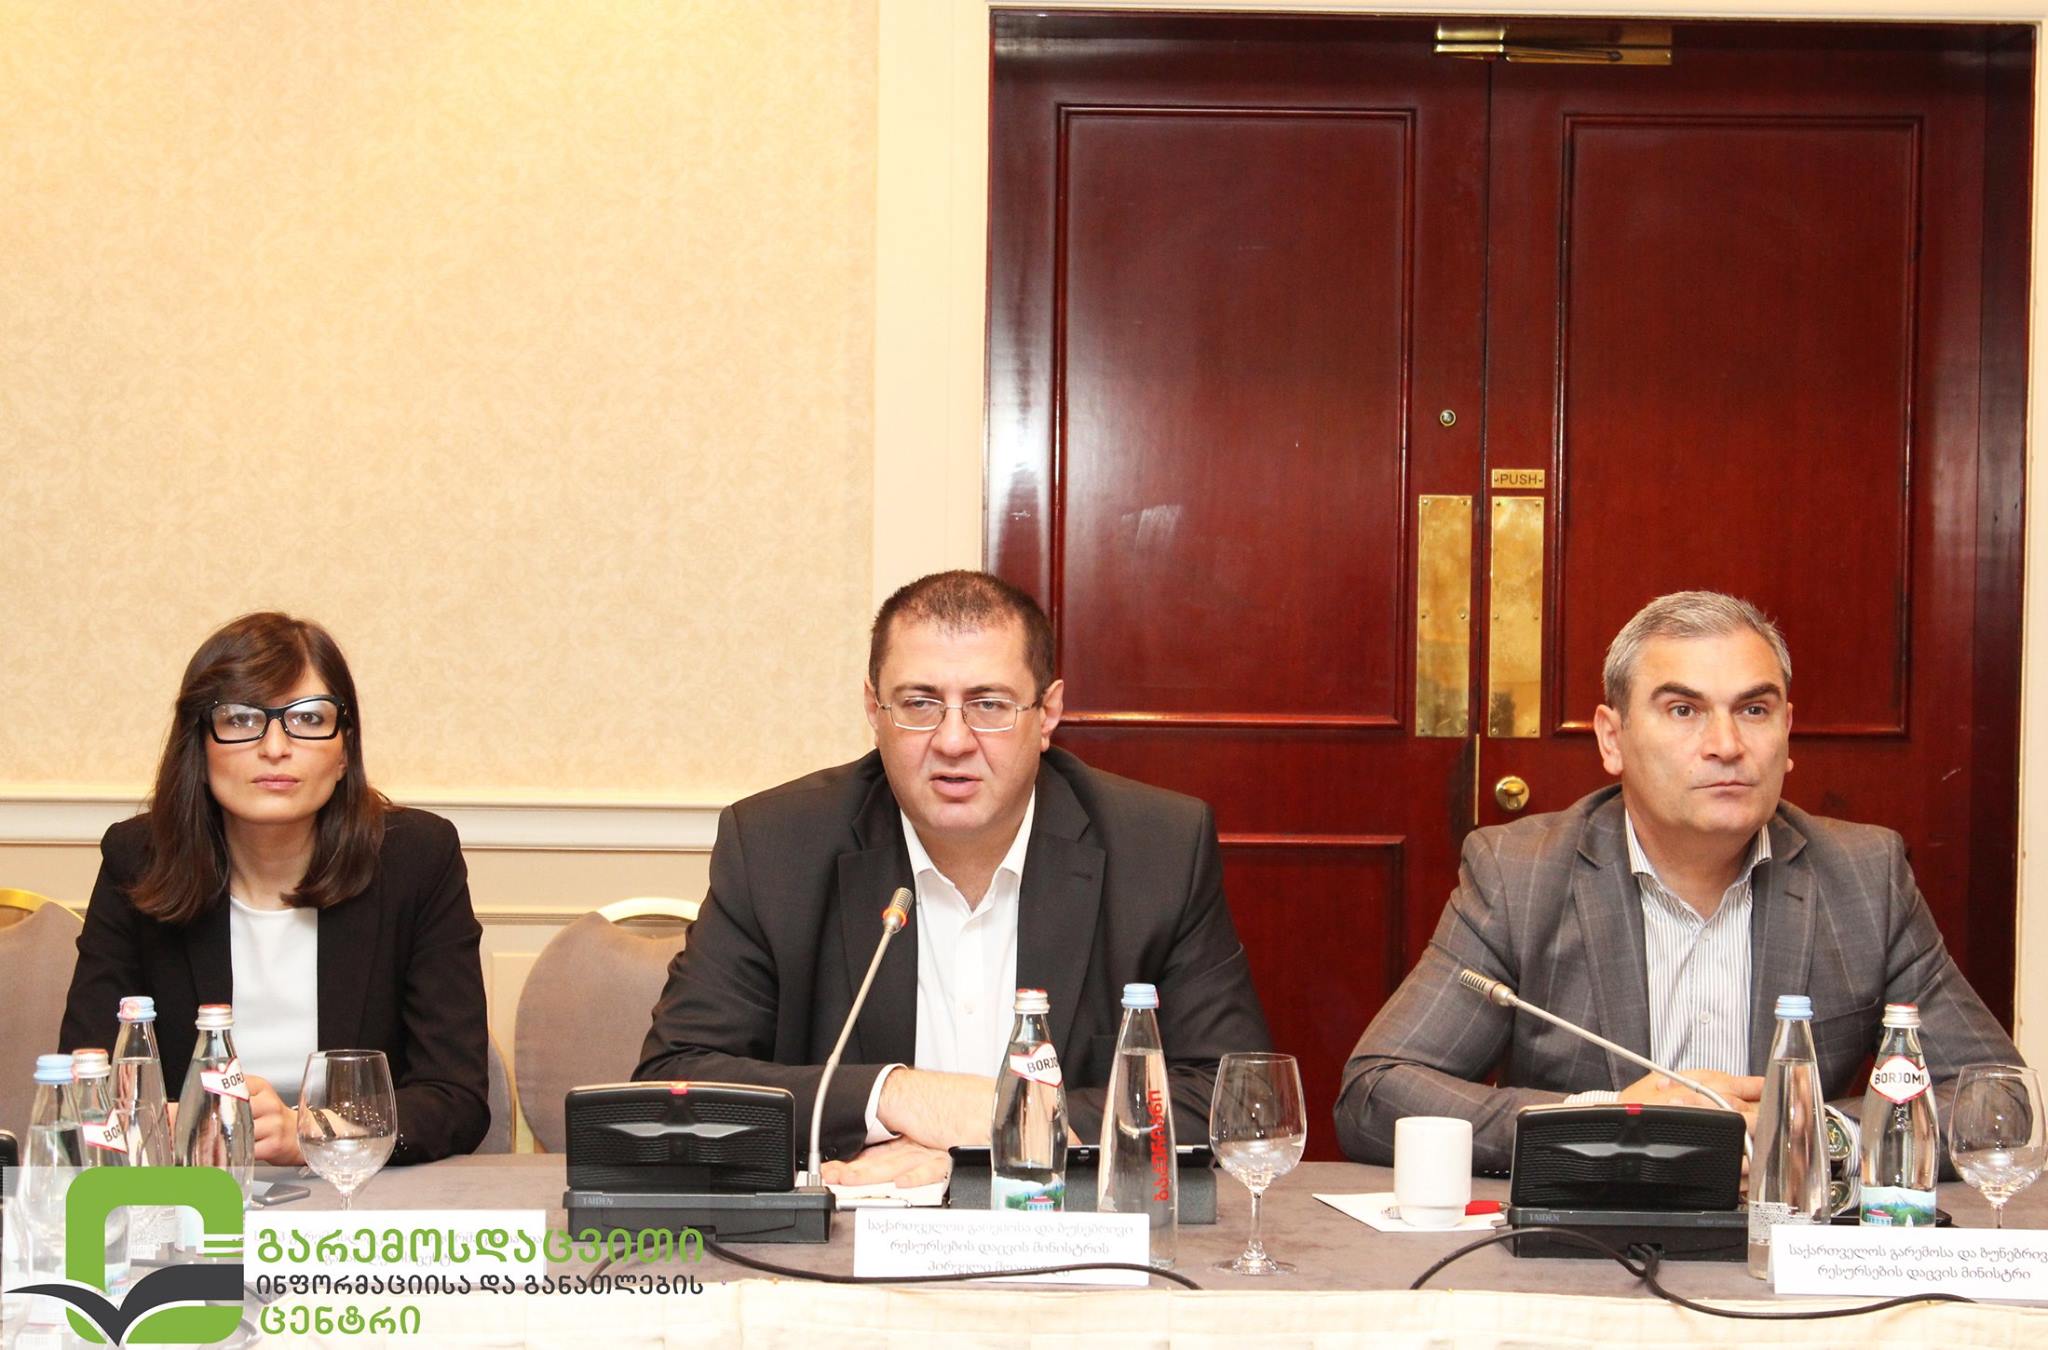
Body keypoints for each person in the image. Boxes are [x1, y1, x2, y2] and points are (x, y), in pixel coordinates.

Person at [1335, 591, 2019, 1172]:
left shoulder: (1865, 877)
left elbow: (2001, 1103)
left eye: (1754, 710)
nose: (1726, 744)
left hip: (1781, 1247)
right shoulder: (1520, 874)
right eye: (1684, 710)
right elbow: (1376, 1094)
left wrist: (1809, 1132)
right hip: (1593, 1252)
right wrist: (1607, 1120)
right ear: (1613, 738)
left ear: (1787, 733)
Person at [638, 570, 1271, 1187]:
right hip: (856, 1228)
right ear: (874, 708)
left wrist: (990, 1132)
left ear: (1048, 713)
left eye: (989, 705)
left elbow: (1235, 1102)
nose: (952, 741)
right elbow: (673, 1083)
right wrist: (897, 1095)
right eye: (919, 703)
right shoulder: (777, 847)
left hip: (1066, 1232)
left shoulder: (1156, 849)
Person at [59, 612, 490, 1165]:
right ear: (199, 747)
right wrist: (158, 1126)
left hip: (358, 1189)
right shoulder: (137, 859)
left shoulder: (416, 859)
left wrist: (312, 1131)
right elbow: (87, 1086)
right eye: (241, 719)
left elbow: (455, 1097)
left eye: (308, 718)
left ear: (344, 751)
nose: (276, 746)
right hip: (194, 1192)